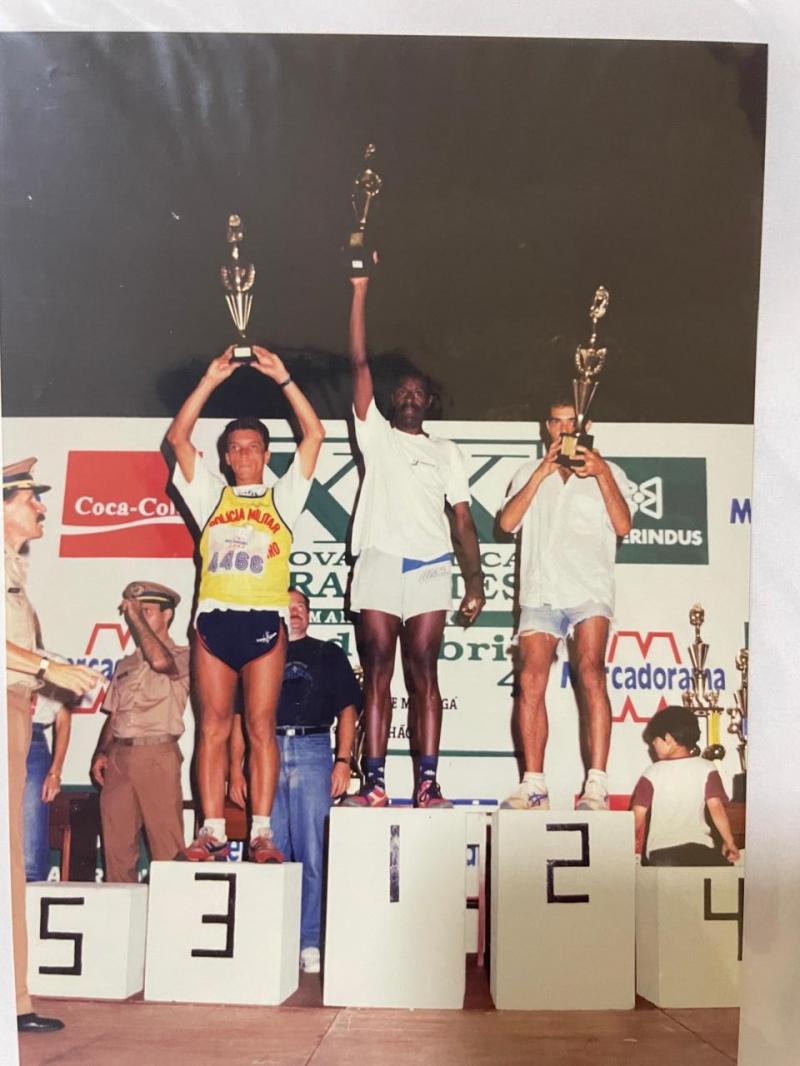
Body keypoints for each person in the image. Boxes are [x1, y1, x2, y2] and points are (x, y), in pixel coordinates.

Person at [166, 346, 324, 860]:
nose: (244, 455)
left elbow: (314, 435)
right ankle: (212, 830)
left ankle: (261, 831)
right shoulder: (210, 494)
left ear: (266, 455)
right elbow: (177, 438)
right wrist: (209, 379)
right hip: (215, 620)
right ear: (227, 458)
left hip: (263, 621)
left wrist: (284, 378)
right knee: (211, 728)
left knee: (260, 727)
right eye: (235, 448)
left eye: (253, 447)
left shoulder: (284, 497)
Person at [343, 274, 485, 809]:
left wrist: (475, 582)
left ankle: (427, 784)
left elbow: (463, 519)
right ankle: (374, 784)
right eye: (401, 391)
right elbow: (359, 363)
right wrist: (360, 291)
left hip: (429, 565)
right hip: (379, 560)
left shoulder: (447, 452)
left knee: (424, 672)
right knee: (377, 671)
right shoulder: (375, 436)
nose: (408, 397)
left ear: (429, 402)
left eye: (418, 393)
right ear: (391, 400)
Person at [4, 457, 103, 1034]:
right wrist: (48, 666)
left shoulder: (13, 569)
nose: (42, 507)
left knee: (11, 861)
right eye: (29, 498)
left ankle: (14, 1001)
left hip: (17, 710)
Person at [498, 402, 633, 811]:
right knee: (529, 681)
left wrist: (602, 472)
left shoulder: (611, 472)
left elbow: (623, 525)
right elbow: (506, 523)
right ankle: (534, 784)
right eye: (557, 421)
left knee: (591, 673)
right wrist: (541, 472)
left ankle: (596, 785)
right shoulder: (528, 471)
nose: (564, 428)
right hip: (541, 591)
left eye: (571, 421)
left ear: (585, 424)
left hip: (589, 590)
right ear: (547, 427)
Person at [228, 588, 359, 973]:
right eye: (288, 608)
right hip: (265, 752)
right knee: (270, 849)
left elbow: (348, 710)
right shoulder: (256, 656)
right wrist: (235, 769)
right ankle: (273, 940)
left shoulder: (329, 653)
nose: (296, 612)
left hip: (314, 750)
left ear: (310, 615)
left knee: (312, 854)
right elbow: (239, 717)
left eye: (302, 607)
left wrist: (343, 761)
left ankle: (309, 941)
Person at [90, 581, 190, 882]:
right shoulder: (126, 663)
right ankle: (120, 910)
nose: (138, 617)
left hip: (157, 755)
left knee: (167, 851)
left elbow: (160, 662)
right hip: (120, 757)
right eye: (137, 612)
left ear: (167, 615)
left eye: (147, 611)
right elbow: (114, 713)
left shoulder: (184, 654)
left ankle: (172, 911)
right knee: (117, 851)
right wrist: (102, 752)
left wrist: (134, 615)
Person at [632, 705, 741, 866]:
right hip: (700, 850)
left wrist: (623, 845)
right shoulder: (707, 767)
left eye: (654, 740)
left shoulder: (652, 772)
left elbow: (637, 816)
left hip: (662, 854)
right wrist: (729, 842)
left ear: (668, 738)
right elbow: (716, 807)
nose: (652, 746)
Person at [23, 688, 71, 882]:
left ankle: (31, 893)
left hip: (32, 738)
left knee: (31, 839)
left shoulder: (51, 671)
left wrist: (55, 772)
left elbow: (63, 718)